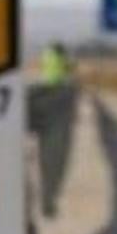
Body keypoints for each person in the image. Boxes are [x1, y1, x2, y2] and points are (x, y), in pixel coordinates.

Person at [29, 41, 78, 218]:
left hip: (44, 96)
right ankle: (47, 201)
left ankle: (45, 202)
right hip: (56, 100)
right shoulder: (64, 66)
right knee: (54, 160)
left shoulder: (49, 57)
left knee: (51, 159)